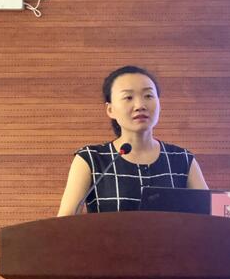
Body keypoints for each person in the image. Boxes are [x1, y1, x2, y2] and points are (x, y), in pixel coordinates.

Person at [58, 65, 208, 216]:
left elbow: (210, 215)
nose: (140, 106)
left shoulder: (182, 159)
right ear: (110, 109)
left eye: (148, 96)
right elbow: (65, 221)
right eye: (128, 98)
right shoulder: (91, 159)